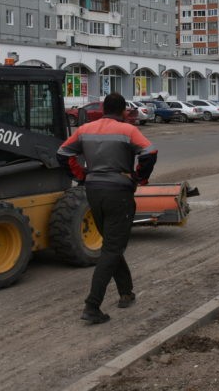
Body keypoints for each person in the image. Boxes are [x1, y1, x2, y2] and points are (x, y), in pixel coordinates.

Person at [57, 92, 158, 324]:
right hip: (119, 193)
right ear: (123, 111)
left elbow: (63, 153)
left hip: (93, 191)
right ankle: (92, 305)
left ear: (103, 109)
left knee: (113, 243)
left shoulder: (84, 129)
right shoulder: (128, 130)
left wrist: (82, 176)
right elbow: (149, 152)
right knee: (112, 248)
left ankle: (126, 292)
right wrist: (138, 178)